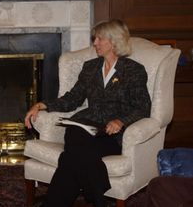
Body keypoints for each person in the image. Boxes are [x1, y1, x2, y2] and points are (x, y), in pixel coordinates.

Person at [24, 19, 151, 207]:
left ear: (114, 41)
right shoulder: (90, 67)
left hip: (110, 133)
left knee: (71, 158)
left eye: (100, 39)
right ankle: (97, 196)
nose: (95, 43)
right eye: (95, 39)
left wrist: (121, 121)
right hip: (85, 125)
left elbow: (143, 106)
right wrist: (42, 105)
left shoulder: (133, 70)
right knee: (75, 133)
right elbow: (72, 98)